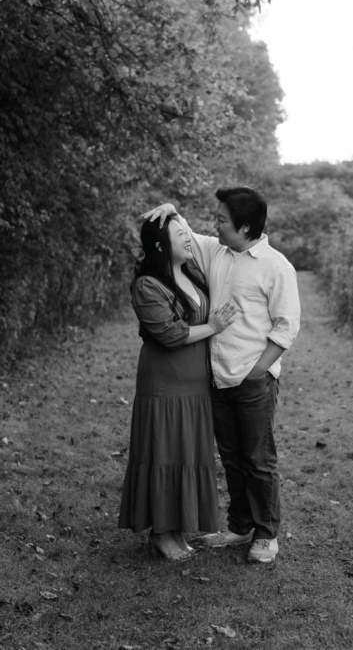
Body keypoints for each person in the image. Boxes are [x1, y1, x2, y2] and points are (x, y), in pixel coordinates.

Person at [144, 187, 300, 564]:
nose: (215, 225)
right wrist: (172, 209)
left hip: (253, 381)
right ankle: (240, 525)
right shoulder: (217, 250)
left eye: (221, 219)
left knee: (258, 460)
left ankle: (266, 535)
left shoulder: (276, 266)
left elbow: (286, 326)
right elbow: (181, 236)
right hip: (215, 378)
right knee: (232, 458)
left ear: (244, 226)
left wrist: (258, 370)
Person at [118, 214, 239, 561]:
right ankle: (161, 532)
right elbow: (171, 335)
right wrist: (213, 326)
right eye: (179, 233)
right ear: (159, 245)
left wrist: (173, 211)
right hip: (165, 384)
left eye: (187, 232)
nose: (188, 238)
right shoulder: (148, 285)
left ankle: (177, 528)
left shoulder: (192, 274)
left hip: (196, 385)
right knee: (165, 454)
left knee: (187, 454)